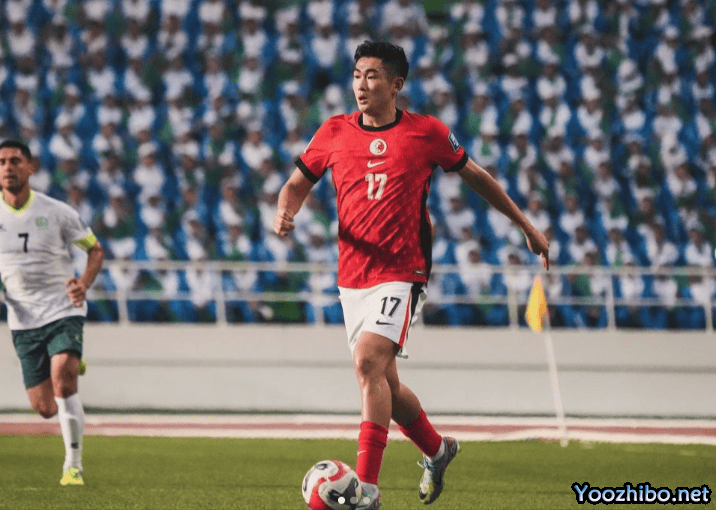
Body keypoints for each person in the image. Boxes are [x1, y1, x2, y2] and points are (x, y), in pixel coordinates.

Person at [274, 41, 549, 509]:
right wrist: (286, 210)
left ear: (396, 84)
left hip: (403, 269)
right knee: (386, 383)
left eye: (372, 75)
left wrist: (525, 225)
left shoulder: (426, 132)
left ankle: (366, 489)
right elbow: (295, 184)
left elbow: (476, 176)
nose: (361, 84)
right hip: (352, 276)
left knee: (367, 363)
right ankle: (438, 451)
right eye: (357, 75)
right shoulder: (334, 131)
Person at [0, 140, 104, 486]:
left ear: (30, 168)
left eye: (15, 161)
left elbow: (95, 249)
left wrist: (83, 283)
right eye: (2, 162)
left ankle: (73, 466)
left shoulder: (57, 211)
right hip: (23, 319)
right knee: (45, 408)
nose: (7, 167)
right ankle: (72, 360)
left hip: (62, 308)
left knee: (63, 379)